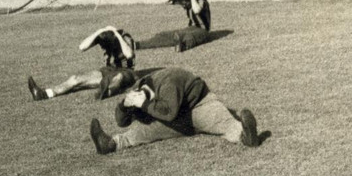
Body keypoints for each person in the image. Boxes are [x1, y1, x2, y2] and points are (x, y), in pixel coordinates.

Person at [89, 66, 261, 154]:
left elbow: (169, 113)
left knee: (223, 122)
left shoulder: (168, 82)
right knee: (143, 131)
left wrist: (144, 105)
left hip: (200, 104)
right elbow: (122, 122)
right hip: (175, 116)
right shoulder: (139, 89)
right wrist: (124, 106)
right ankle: (110, 145)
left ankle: (246, 136)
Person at [27, 26, 136, 102]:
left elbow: (129, 54)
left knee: (118, 77)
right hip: (108, 69)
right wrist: (99, 31)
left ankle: (105, 91)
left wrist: (117, 34)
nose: (103, 47)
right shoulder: (103, 35)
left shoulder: (124, 36)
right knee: (75, 79)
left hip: (126, 71)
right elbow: (82, 47)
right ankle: (44, 94)